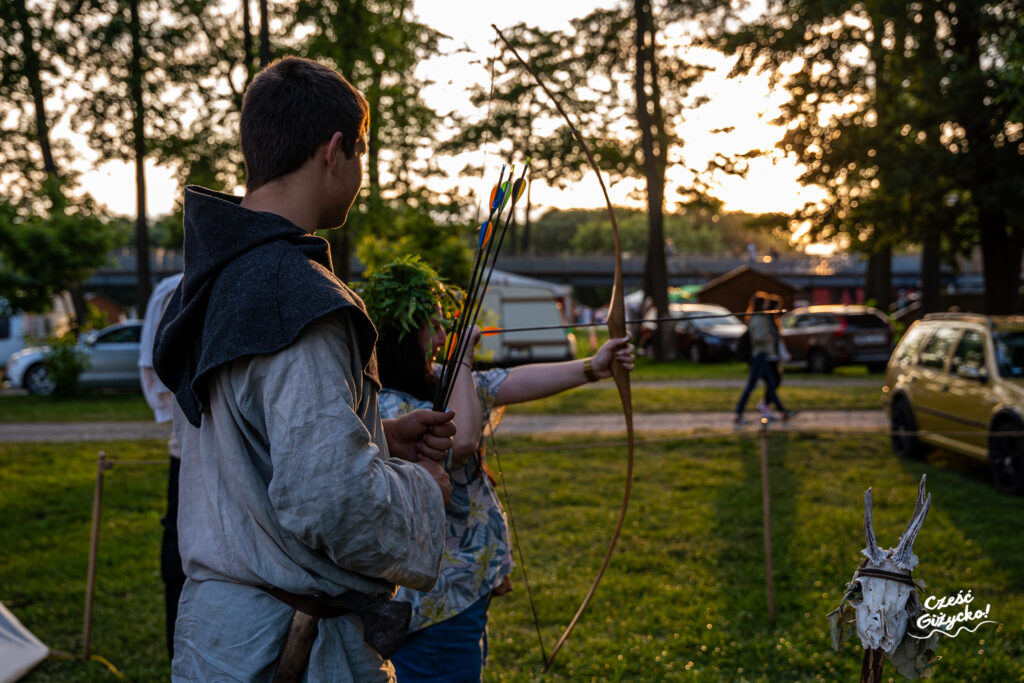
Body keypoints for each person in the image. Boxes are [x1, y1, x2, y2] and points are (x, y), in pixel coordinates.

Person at [152, 57, 455, 682]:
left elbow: (260, 445)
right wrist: (426, 491)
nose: (362, 174)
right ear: (334, 150)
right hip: (291, 651)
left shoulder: (210, 283)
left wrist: (372, 436)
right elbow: (331, 500)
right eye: (363, 152)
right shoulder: (296, 297)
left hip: (220, 636)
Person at [358, 257, 635, 683]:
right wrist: (464, 359)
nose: (441, 335)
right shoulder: (387, 407)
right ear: (402, 337)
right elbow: (463, 442)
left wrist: (592, 367)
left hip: (467, 588)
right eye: (431, 325)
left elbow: (511, 381)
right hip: (432, 603)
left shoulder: (443, 383)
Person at [137, 271, 184, 659]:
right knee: (180, 549)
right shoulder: (174, 290)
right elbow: (152, 362)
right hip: (187, 452)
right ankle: (178, 646)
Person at [734, 292, 795, 424]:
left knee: (771, 384)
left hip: (763, 356)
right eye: (765, 303)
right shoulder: (757, 319)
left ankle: (783, 412)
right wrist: (768, 338)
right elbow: (756, 338)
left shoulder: (760, 318)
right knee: (753, 386)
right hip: (760, 356)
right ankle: (738, 414)